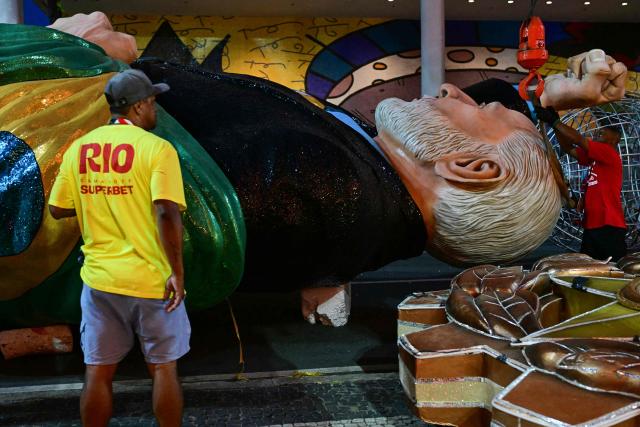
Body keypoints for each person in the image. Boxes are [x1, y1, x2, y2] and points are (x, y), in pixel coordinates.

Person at [48, 69, 189, 427]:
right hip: (152, 281)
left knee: (97, 372)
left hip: (100, 282)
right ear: (139, 106)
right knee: (163, 368)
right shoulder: (157, 149)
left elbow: (57, 207)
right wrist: (177, 272)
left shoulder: (80, 148)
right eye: (153, 102)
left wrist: (94, 196)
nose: (155, 109)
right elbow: (166, 210)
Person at [536, 105, 627, 261]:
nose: (595, 134)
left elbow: (578, 139)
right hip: (592, 225)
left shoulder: (608, 153)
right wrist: (555, 124)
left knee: (614, 267)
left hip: (608, 225)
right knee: (590, 267)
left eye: (600, 133)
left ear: (613, 140)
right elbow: (568, 148)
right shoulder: (594, 159)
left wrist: (554, 122)